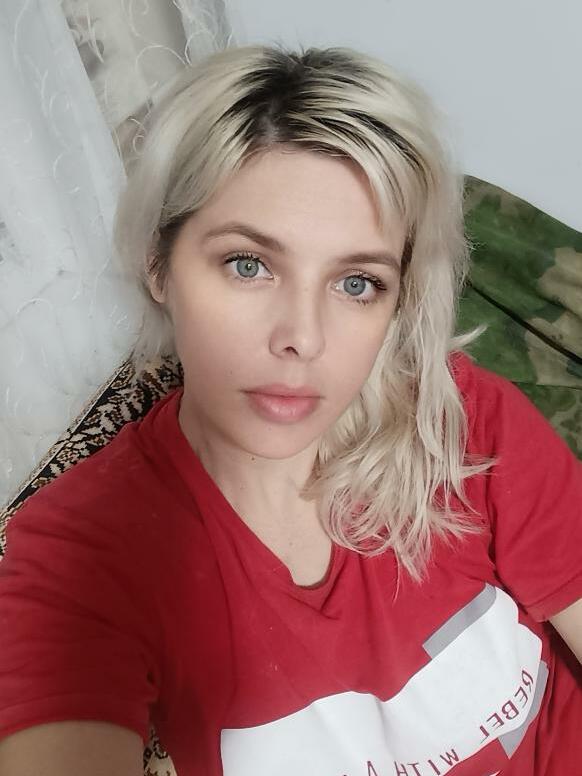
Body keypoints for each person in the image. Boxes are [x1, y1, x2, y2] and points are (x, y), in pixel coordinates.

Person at [0, 43, 580, 776]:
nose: (303, 338)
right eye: (248, 265)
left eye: (357, 283)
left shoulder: (460, 419)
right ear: (158, 266)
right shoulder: (81, 550)